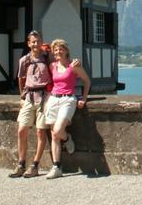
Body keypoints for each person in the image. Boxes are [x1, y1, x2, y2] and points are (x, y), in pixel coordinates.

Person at [9, 31, 79, 178]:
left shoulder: (48, 58)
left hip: (45, 97)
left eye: (38, 41)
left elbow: (63, 60)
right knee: (21, 130)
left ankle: (35, 165)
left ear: (41, 42)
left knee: (41, 132)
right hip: (29, 97)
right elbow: (21, 80)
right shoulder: (24, 60)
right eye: (33, 42)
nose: (35, 44)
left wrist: (76, 62)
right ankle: (21, 163)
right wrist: (22, 97)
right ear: (28, 44)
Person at [44, 38, 91, 179]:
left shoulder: (74, 65)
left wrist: (83, 98)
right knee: (53, 135)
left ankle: (67, 137)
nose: (58, 51)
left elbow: (87, 81)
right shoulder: (52, 66)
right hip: (53, 99)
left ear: (66, 51)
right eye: (55, 49)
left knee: (58, 131)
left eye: (60, 49)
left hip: (68, 99)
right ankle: (57, 167)